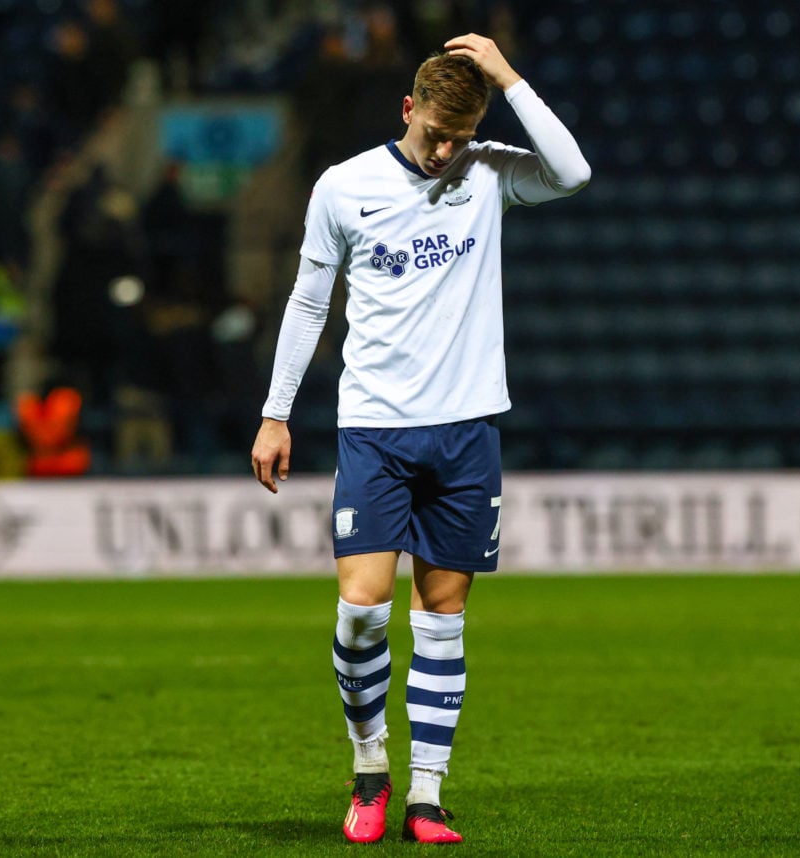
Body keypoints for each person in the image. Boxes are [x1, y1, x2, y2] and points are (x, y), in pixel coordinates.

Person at [250, 33, 590, 845]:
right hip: (374, 430)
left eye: (460, 136)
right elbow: (306, 302)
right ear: (407, 108)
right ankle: (369, 767)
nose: (444, 150)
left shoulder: (488, 172)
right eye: (435, 131)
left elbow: (573, 172)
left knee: (441, 621)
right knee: (362, 611)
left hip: (467, 430)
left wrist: (508, 77)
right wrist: (275, 410)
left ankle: (426, 797)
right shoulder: (344, 187)